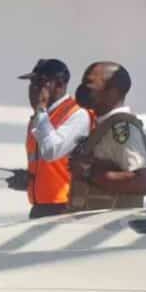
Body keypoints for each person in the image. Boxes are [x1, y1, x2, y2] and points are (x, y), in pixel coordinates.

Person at [68, 62, 146, 210]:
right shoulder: (102, 125)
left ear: (113, 91)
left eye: (89, 83)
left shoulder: (122, 129)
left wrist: (89, 172)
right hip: (92, 220)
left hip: (111, 222)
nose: (83, 89)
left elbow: (144, 182)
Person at [20, 59, 93, 220]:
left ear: (59, 84)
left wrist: (40, 109)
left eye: (40, 83)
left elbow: (51, 151)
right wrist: (29, 180)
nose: (33, 88)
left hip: (64, 206)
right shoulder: (40, 117)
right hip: (40, 206)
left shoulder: (76, 114)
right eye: (32, 82)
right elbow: (45, 164)